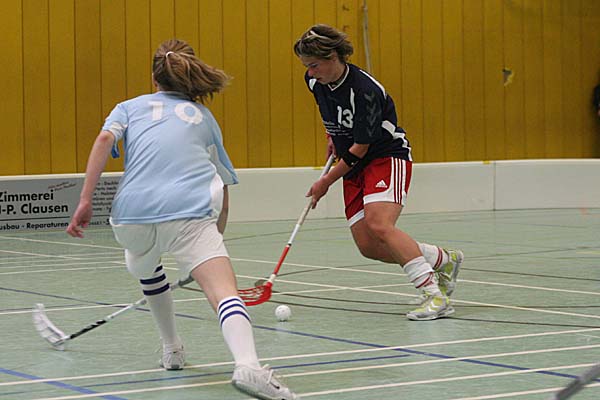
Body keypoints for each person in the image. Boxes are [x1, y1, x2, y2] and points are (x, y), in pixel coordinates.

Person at [66, 39, 298, 400]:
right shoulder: (204, 118)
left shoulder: (128, 107)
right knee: (223, 292)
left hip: (129, 218)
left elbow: (103, 139)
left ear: (154, 78)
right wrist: (212, 244)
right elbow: (222, 184)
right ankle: (249, 366)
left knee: (144, 266)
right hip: (188, 214)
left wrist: (84, 201)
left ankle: (172, 349)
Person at [293, 24, 464, 321]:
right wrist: (332, 135)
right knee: (368, 246)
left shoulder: (365, 91)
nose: (310, 72)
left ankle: (434, 295)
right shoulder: (314, 82)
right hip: (354, 164)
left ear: (333, 57)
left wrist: (326, 181)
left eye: (314, 65)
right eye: (306, 66)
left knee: (379, 224)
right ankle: (442, 259)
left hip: (385, 156)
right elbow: (329, 111)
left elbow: (361, 147)